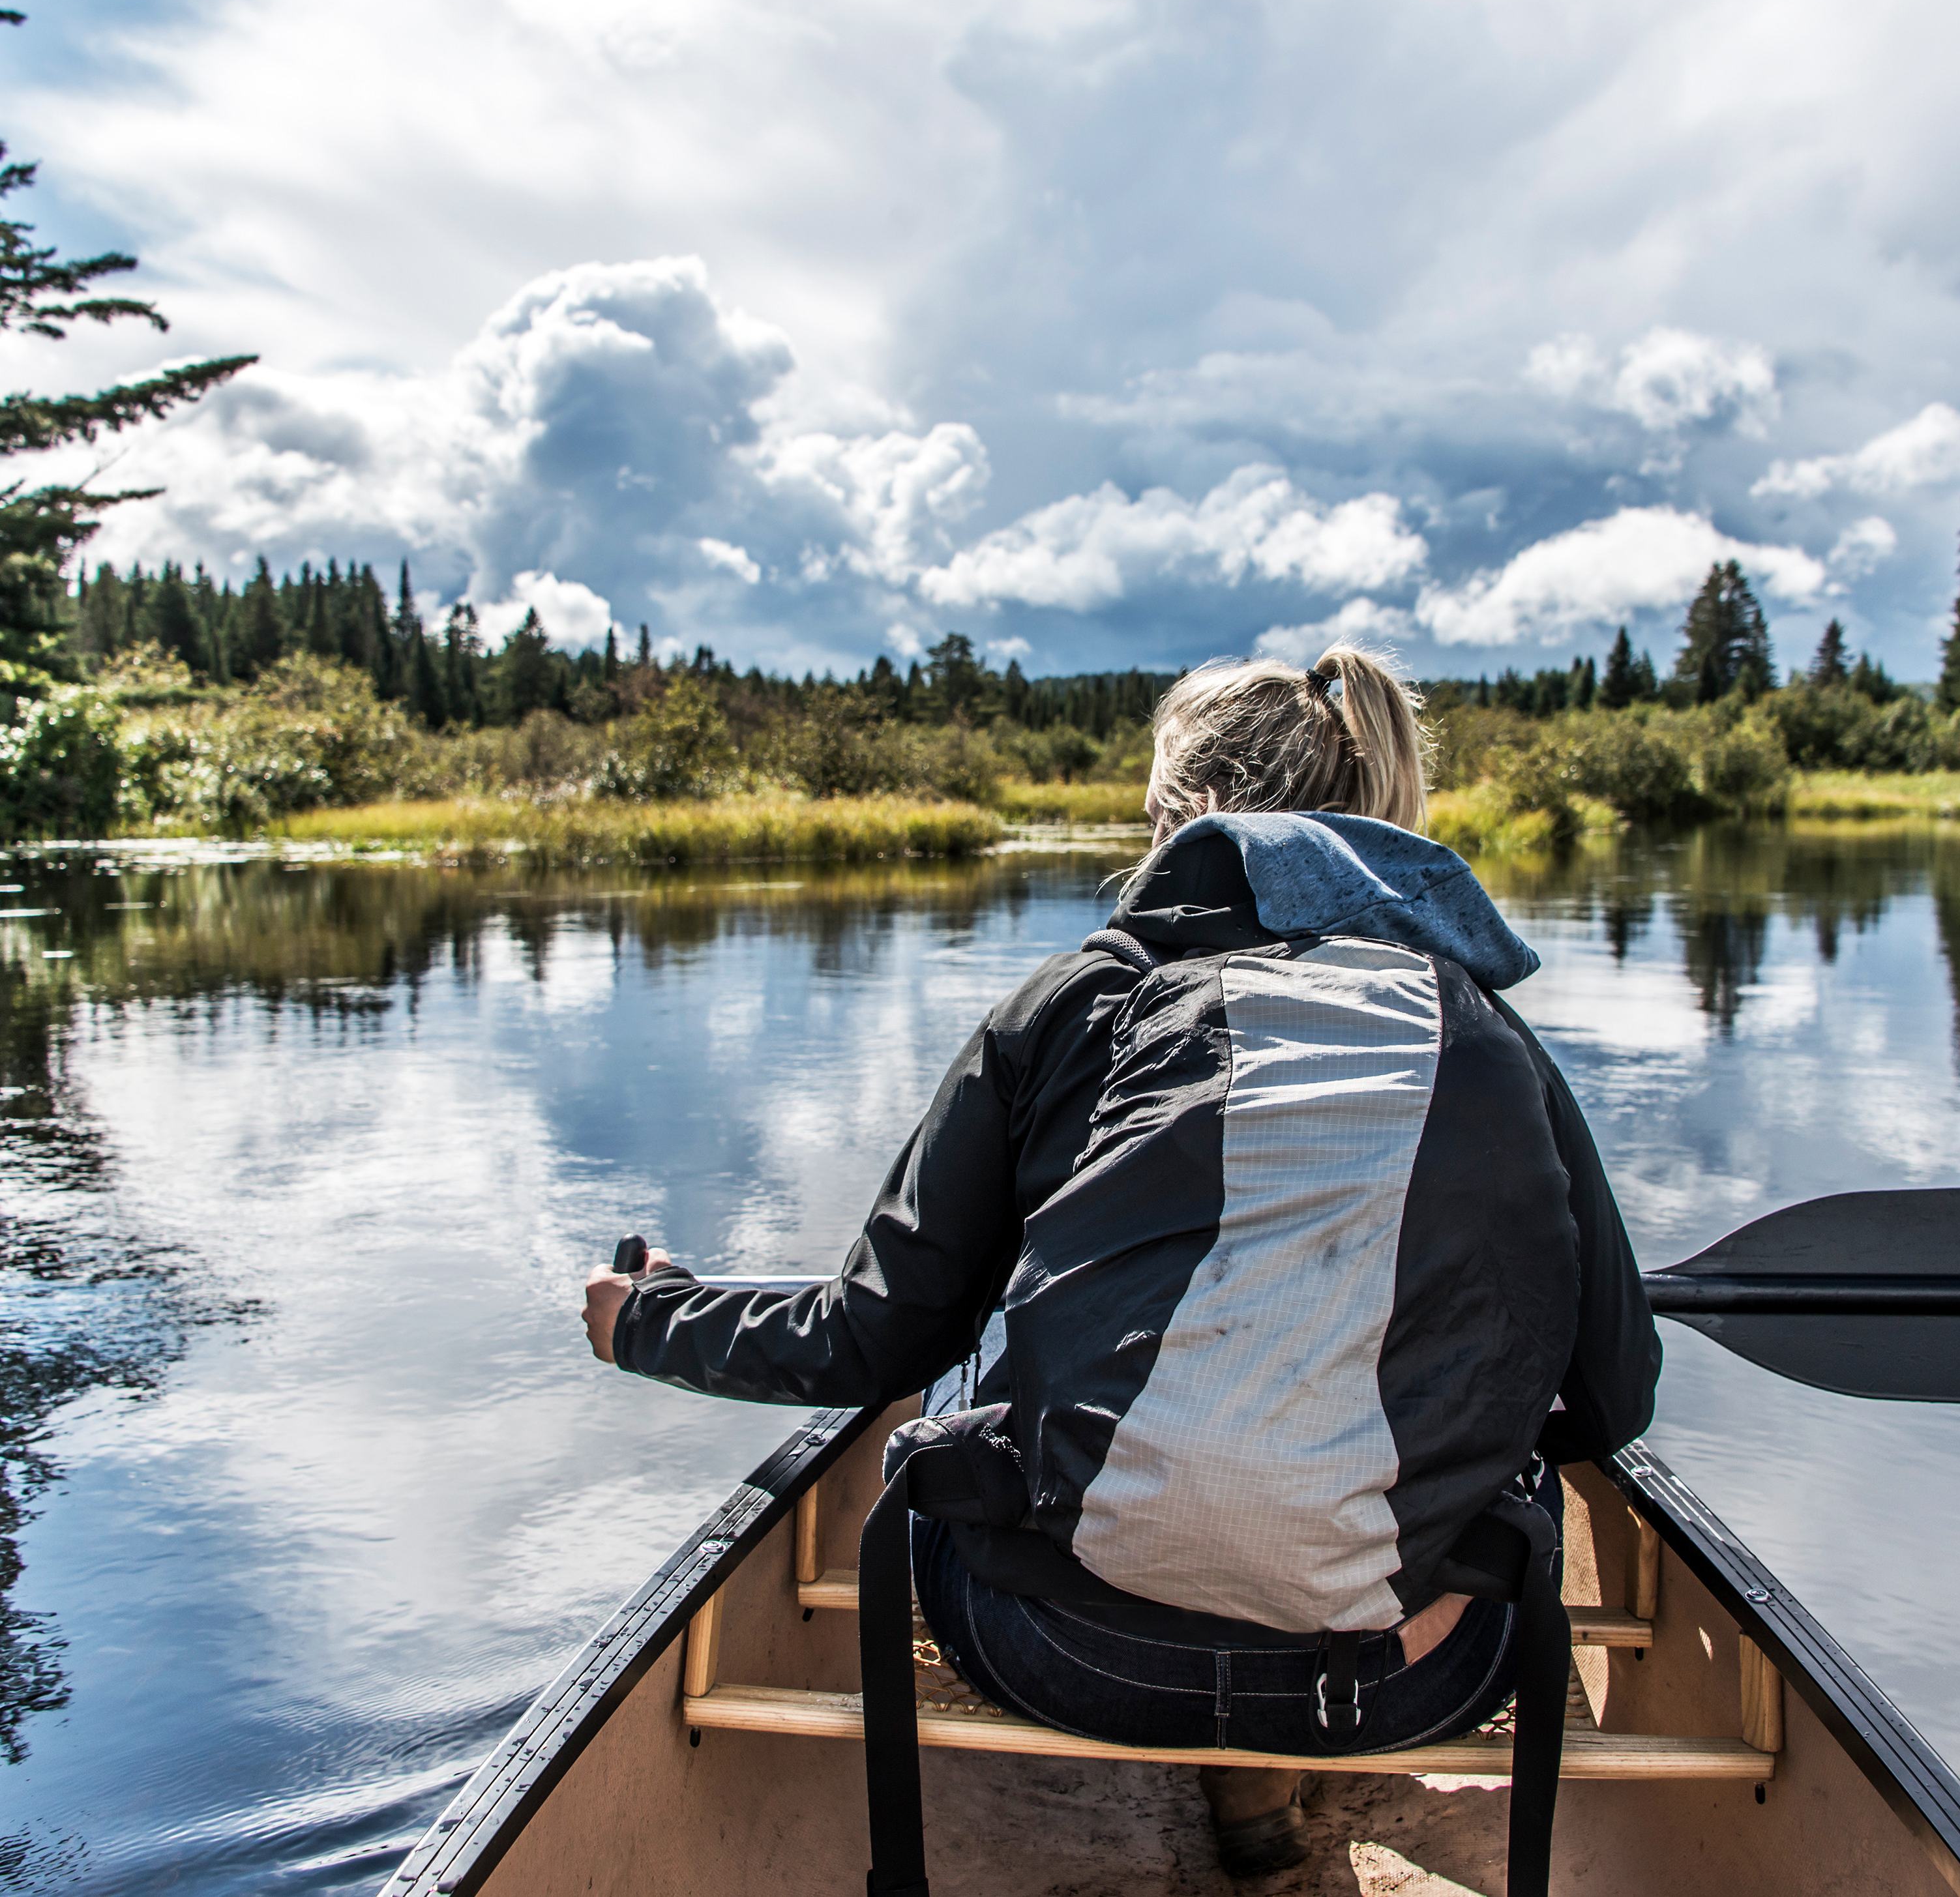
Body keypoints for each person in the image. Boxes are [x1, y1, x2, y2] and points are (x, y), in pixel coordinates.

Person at [582, 642, 1659, 1877]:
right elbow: (1615, 1401)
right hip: (1409, 1675)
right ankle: (1261, 1799)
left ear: (1166, 821)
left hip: (1066, 1654)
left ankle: (1228, 1758)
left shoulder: (1074, 1002)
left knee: (969, 1359)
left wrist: (648, 1320)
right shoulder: (1483, 1026)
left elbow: (870, 1338)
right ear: (1372, 810)